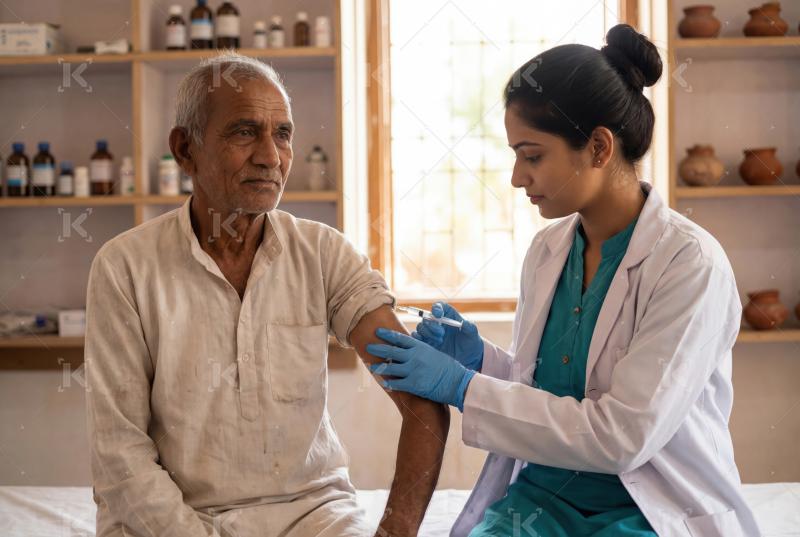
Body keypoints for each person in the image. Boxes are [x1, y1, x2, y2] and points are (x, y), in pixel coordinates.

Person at [367, 24, 760, 537]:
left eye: (532, 155)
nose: (516, 177)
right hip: (540, 506)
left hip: (648, 508)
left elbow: (622, 435)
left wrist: (464, 389)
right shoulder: (547, 251)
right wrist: (481, 361)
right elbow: (555, 390)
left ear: (598, 147)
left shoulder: (689, 265)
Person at [85, 52, 449, 537]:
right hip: (174, 519)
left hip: (311, 516)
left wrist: (394, 531)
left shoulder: (324, 254)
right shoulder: (125, 266)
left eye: (283, 134)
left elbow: (421, 402)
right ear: (186, 149)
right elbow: (118, 452)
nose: (270, 156)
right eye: (244, 131)